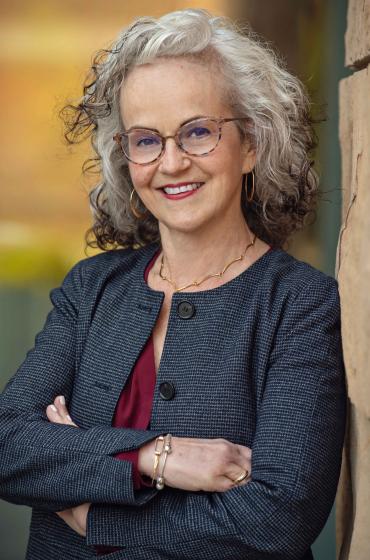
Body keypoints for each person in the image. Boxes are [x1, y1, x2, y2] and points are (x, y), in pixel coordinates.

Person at [0, 8, 346, 560]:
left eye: (198, 132)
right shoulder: (91, 289)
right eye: (146, 140)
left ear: (251, 144)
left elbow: (277, 516)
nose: (172, 162)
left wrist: (90, 507)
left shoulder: (300, 305)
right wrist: (155, 457)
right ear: (127, 156)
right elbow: (9, 445)